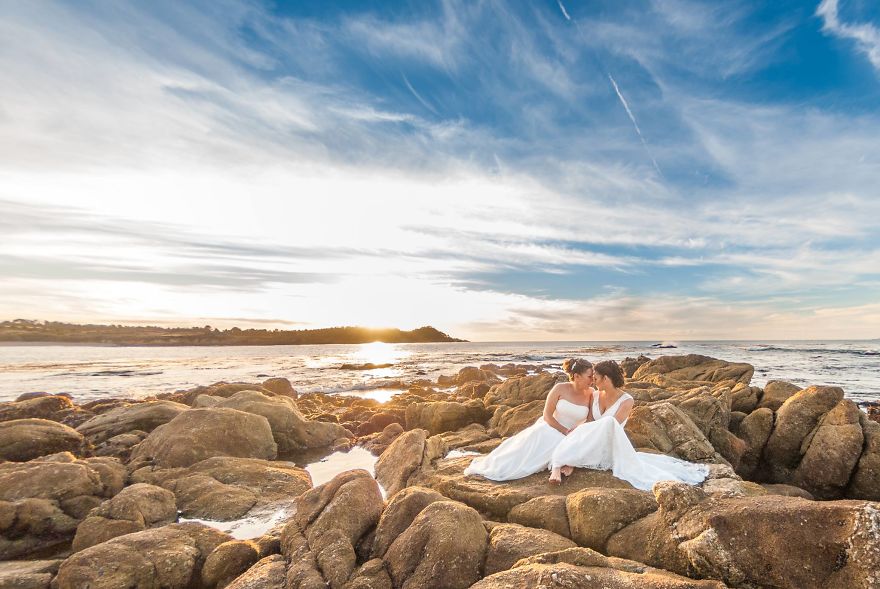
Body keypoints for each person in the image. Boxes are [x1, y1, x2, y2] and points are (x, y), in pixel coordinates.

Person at [549, 359, 709, 491]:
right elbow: (590, 421)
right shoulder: (595, 395)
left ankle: (570, 462)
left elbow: (614, 427)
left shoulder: (627, 400)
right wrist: (577, 430)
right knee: (580, 430)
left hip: (609, 443)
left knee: (608, 422)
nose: (593, 382)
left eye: (595, 378)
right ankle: (563, 464)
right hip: (591, 439)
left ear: (606, 379)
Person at [463, 358, 595, 481]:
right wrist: (564, 431)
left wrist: (575, 432)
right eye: (589, 376)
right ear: (577, 376)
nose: (592, 379)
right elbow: (547, 416)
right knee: (526, 450)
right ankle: (558, 464)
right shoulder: (560, 388)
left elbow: (589, 420)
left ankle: (562, 464)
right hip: (552, 427)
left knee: (567, 444)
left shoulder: (591, 393)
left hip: (574, 434)